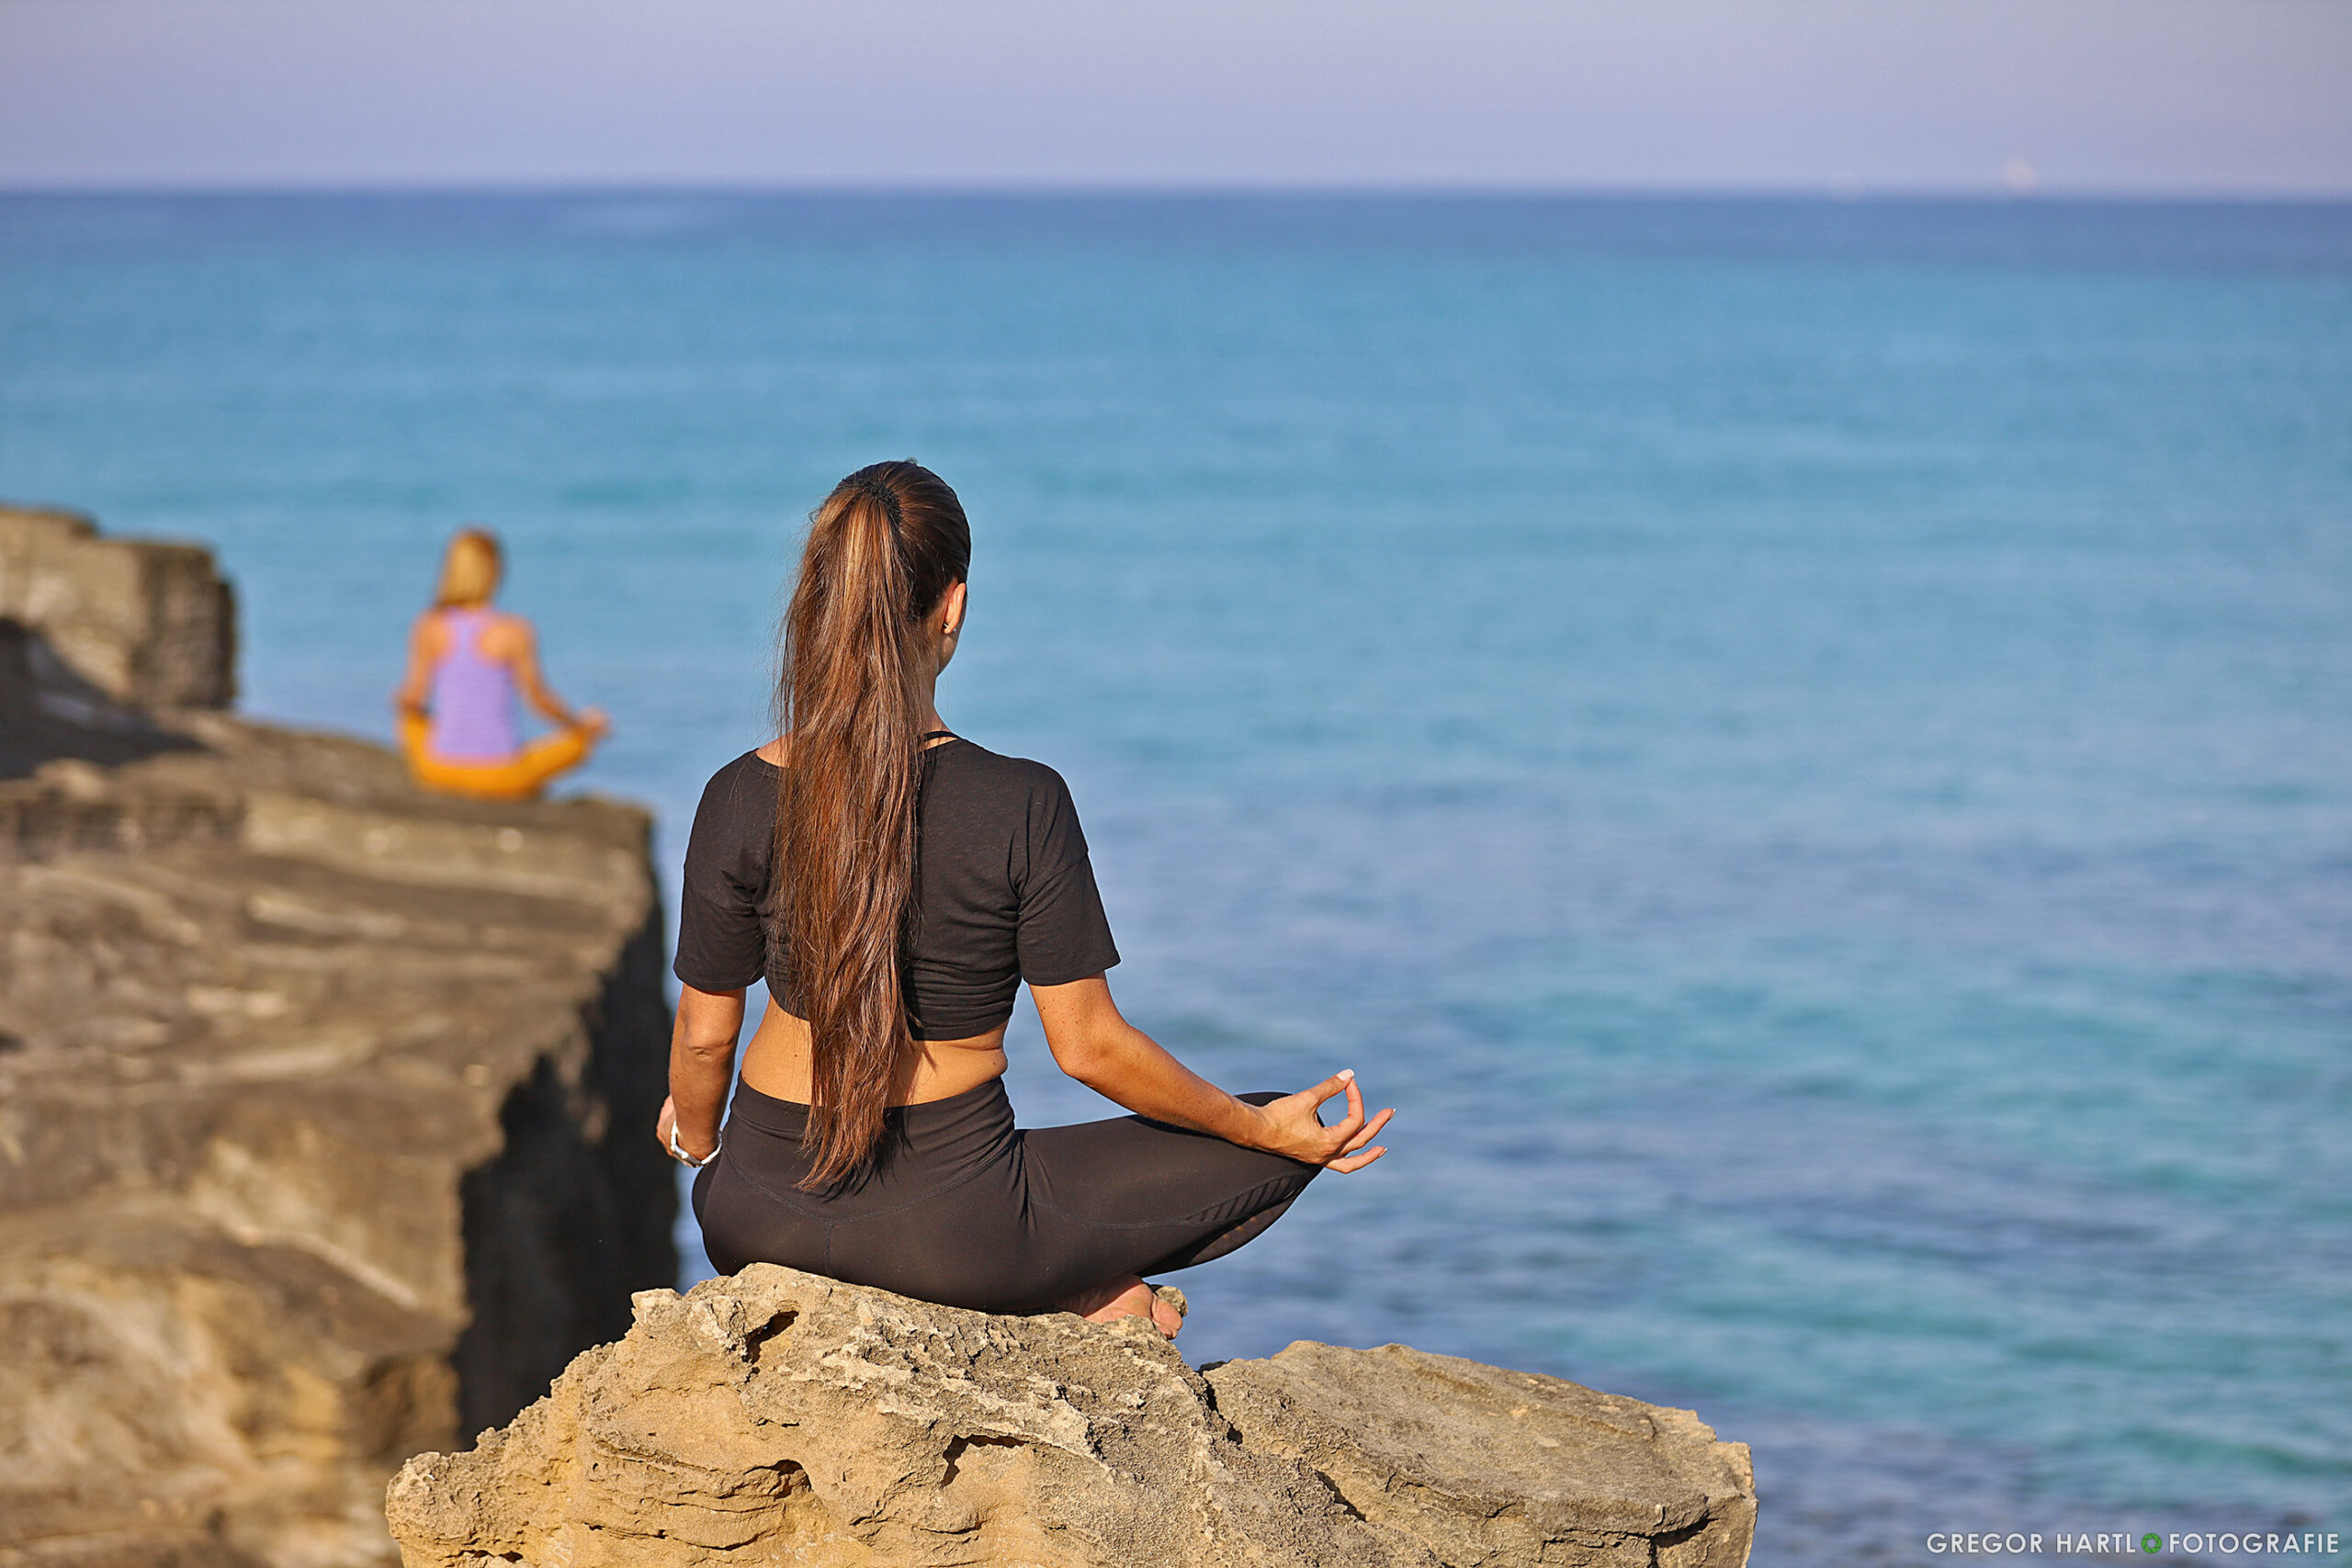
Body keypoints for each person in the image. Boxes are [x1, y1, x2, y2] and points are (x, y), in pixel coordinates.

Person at [662, 461, 1392, 1337]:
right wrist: (1257, 1126)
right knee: (1272, 1131)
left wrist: (702, 1148)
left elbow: (705, 1037)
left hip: (753, 1216)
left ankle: (1085, 1285)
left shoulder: (735, 791)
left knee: (1231, 1134)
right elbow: (1090, 1048)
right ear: (953, 606)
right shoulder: (1022, 799)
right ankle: (1080, 1287)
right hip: (954, 1233)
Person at [393, 527, 609, 802]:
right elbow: (538, 699)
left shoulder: (429, 625)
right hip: (501, 774)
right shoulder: (514, 630)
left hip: (438, 769)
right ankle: (576, 742)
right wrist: (579, 725)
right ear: (495, 571)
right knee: (580, 743)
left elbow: (412, 698)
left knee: (410, 721)